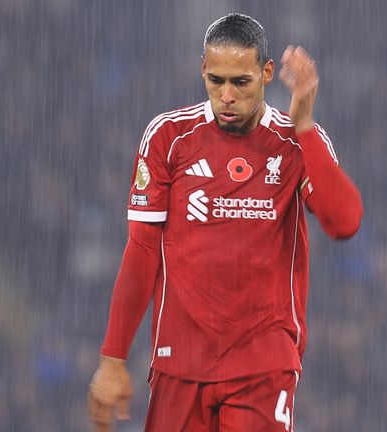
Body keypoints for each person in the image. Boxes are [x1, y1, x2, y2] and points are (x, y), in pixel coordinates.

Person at [88, 13, 363, 431]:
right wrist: (113, 358)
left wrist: (304, 124)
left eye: (241, 82)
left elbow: (344, 222)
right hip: (179, 361)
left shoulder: (294, 141)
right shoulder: (168, 137)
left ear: (267, 73)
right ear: (202, 69)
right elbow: (142, 250)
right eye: (216, 80)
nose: (227, 95)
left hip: (263, 364)